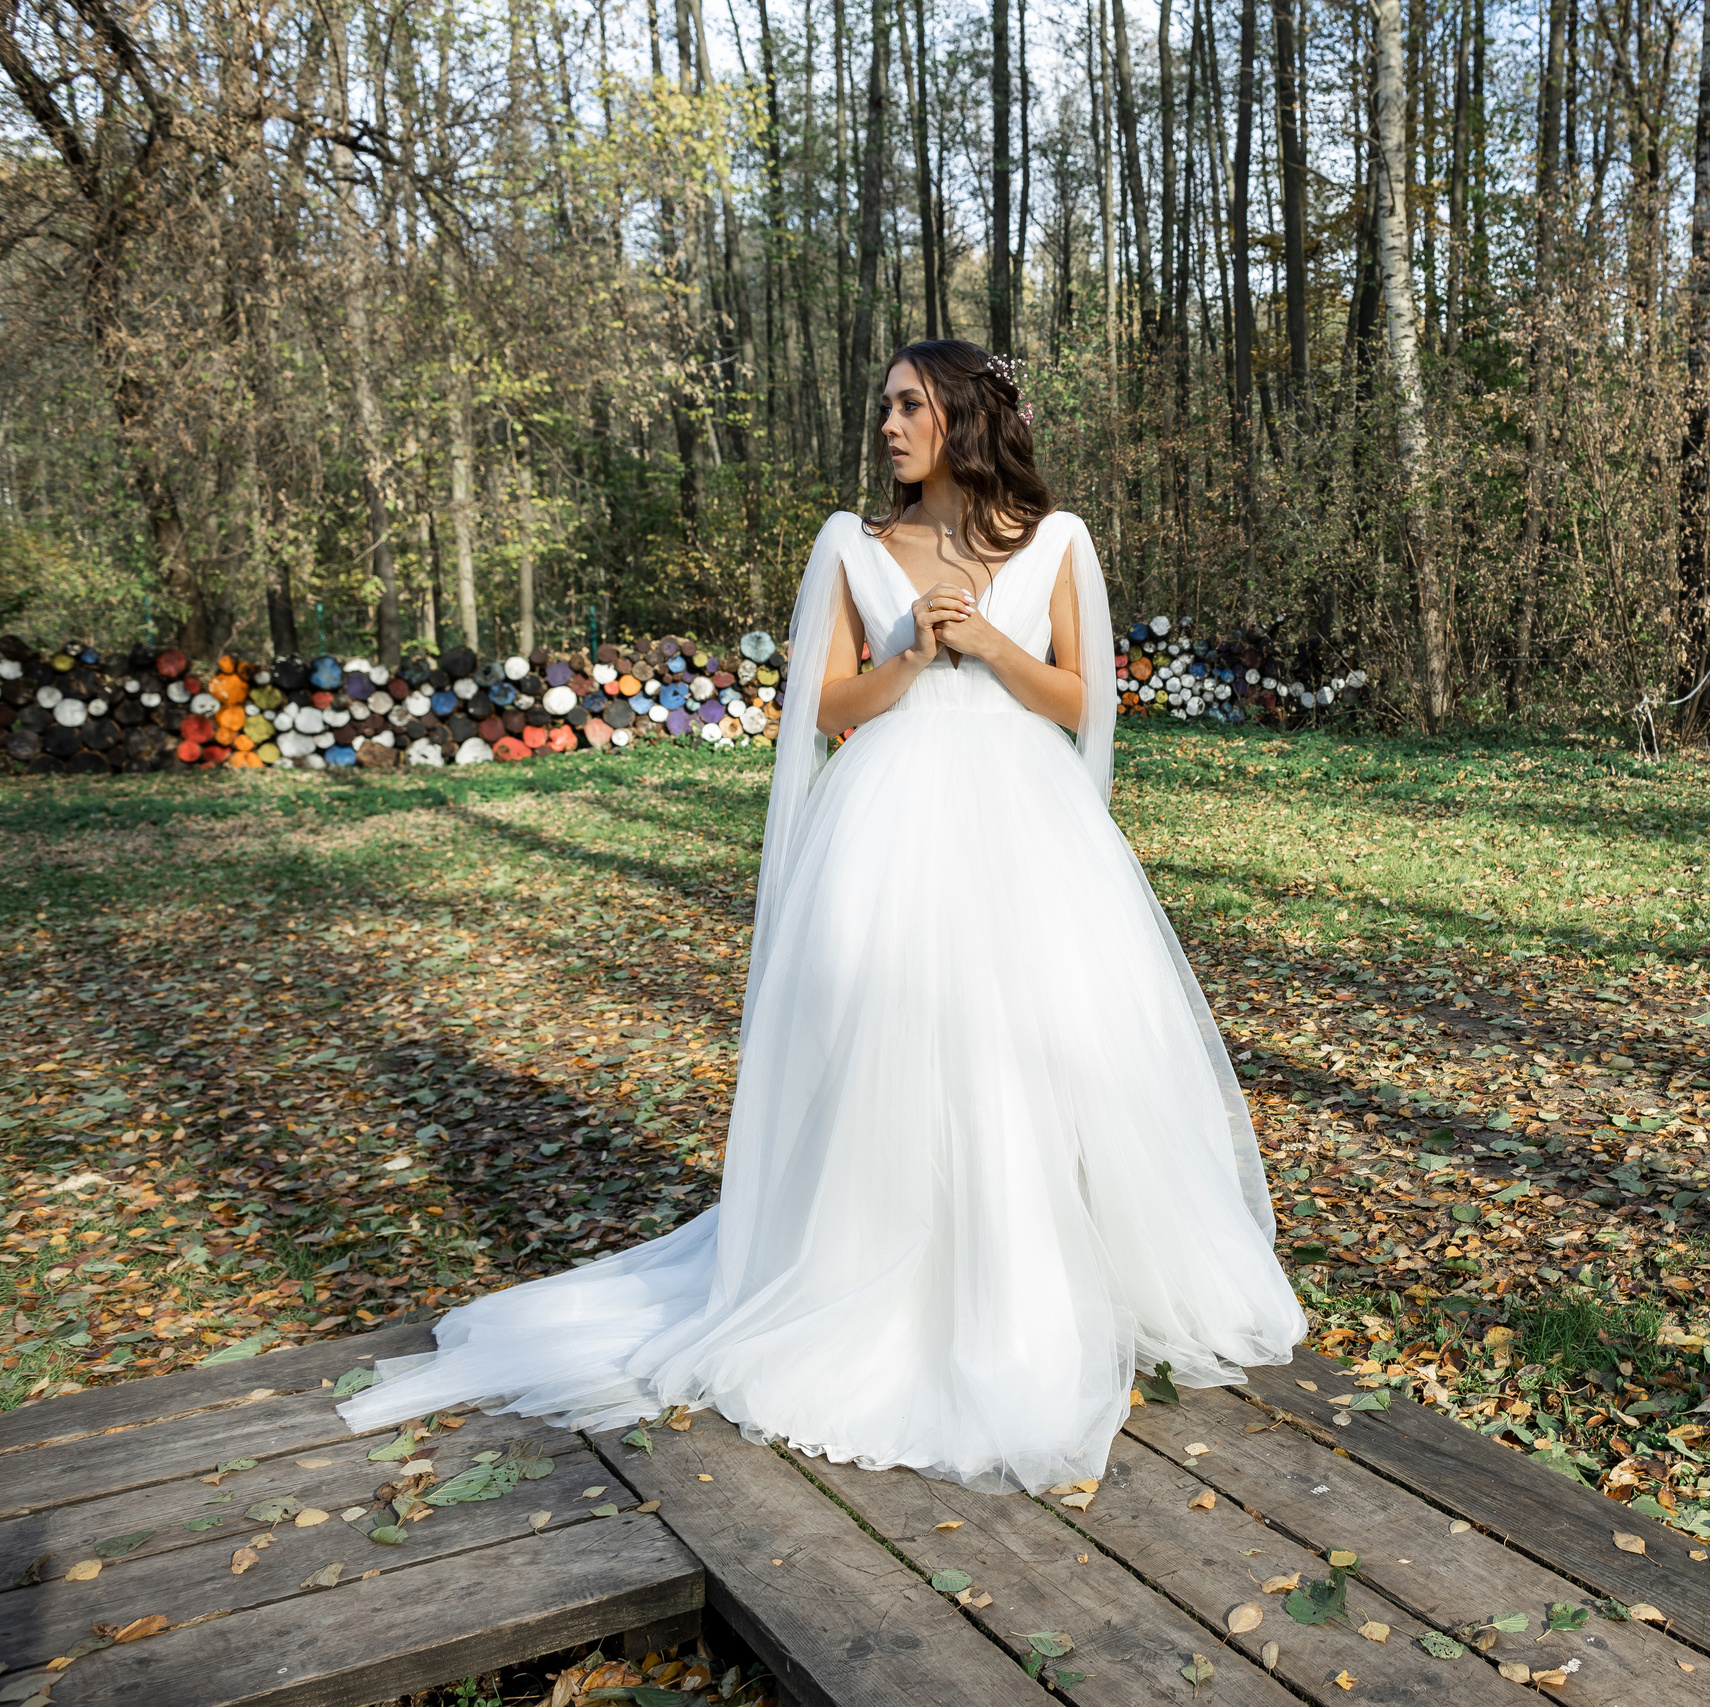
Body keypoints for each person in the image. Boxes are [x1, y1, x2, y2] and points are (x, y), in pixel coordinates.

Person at [339, 339, 1304, 1493]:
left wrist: (991, 642)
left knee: (1038, 1042)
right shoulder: (854, 546)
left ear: (960, 413)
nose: (888, 423)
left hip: (1021, 822)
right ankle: (880, 1282)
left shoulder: (1056, 542)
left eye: (908, 404)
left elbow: (1083, 701)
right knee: (886, 1046)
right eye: (883, 405)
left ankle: (1036, 1285)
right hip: (888, 817)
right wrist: (904, 658)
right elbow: (826, 705)